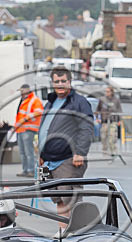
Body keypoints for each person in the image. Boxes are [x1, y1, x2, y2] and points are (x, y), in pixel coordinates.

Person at [38, 66, 94, 224]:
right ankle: (63, 232)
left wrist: (80, 152)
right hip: (50, 160)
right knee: (59, 200)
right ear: (52, 83)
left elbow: (86, 127)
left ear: (70, 82)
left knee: (71, 200)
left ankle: (76, 235)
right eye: (57, 81)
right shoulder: (51, 102)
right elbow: (46, 128)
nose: (60, 84)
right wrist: (42, 154)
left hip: (68, 159)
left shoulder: (79, 102)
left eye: (63, 81)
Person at [14, 83, 43, 177]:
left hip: (28, 129)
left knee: (29, 152)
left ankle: (31, 170)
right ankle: (25, 170)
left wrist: (26, 119)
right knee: (22, 152)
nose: (21, 93)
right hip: (21, 130)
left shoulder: (34, 100)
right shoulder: (24, 100)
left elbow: (39, 112)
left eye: (22, 91)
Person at [97, 86, 122, 156]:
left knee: (112, 137)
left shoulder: (116, 100)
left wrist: (119, 120)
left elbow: (119, 110)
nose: (106, 93)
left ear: (112, 92)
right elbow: (98, 110)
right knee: (103, 137)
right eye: (106, 91)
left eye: (108, 91)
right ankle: (104, 150)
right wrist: (97, 118)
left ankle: (113, 151)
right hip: (104, 121)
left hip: (113, 121)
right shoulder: (102, 99)